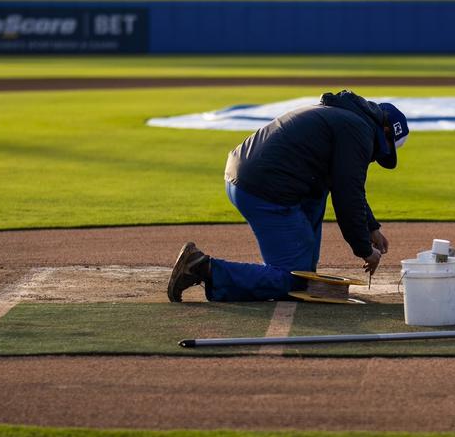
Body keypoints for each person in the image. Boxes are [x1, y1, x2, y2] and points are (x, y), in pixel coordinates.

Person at [168, 90, 409, 302]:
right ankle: (203, 268)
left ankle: (290, 274)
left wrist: (371, 227)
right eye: (383, 149)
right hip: (264, 189)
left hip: (249, 177)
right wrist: (364, 249)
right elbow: (348, 195)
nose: (377, 156)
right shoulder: (358, 131)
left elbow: (345, 185)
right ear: (385, 129)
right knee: (294, 281)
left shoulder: (345, 117)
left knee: (316, 205)